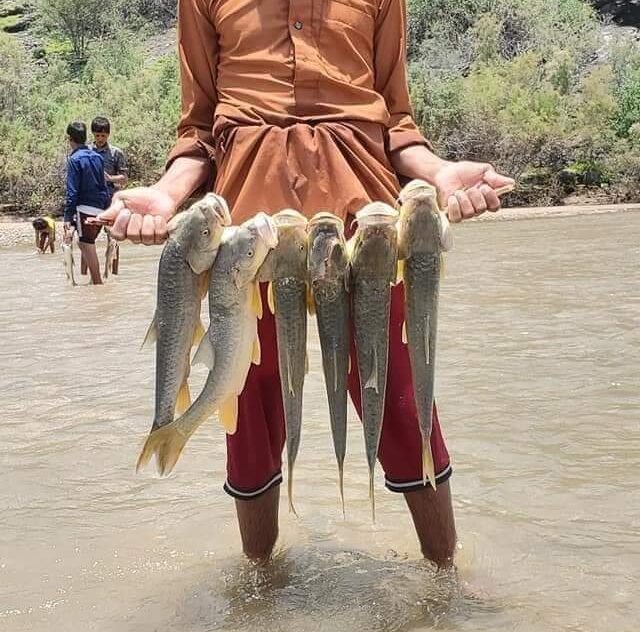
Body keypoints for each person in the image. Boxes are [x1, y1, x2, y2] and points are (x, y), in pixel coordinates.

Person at [100, 0, 515, 566]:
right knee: (247, 402)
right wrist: (167, 196)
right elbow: (198, 131)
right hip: (252, 238)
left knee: (397, 394)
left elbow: (397, 123)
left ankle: (446, 581)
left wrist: (441, 173)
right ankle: (261, 585)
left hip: (365, 228)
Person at [63, 121, 110, 285]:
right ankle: (93, 281)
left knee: (85, 244)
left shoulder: (74, 159)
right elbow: (103, 185)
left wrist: (67, 218)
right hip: (100, 207)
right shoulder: (97, 157)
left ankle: (97, 284)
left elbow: (72, 192)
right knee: (86, 243)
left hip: (84, 208)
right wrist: (107, 209)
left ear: (70, 139)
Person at [91, 116, 128, 275]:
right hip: (91, 200)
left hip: (111, 201)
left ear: (108, 135)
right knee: (88, 239)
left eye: (103, 136)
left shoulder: (116, 153)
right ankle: (92, 275)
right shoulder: (87, 152)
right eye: (97, 136)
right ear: (93, 134)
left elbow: (124, 179)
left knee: (113, 238)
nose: (100, 139)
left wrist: (109, 178)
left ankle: (114, 274)